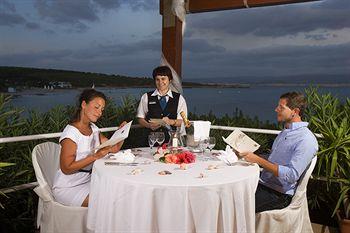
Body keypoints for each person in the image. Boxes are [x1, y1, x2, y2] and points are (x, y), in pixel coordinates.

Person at [239, 92, 318, 213]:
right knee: (229, 195)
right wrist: (248, 154)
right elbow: (273, 159)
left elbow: (292, 175)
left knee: (235, 206)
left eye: (281, 107)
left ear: (295, 111)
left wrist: (258, 160)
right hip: (263, 183)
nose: (276, 109)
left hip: (279, 194)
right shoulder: (285, 132)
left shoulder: (306, 139)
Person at [52, 89, 126, 207]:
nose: (99, 112)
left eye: (102, 109)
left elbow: (114, 148)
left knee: (121, 193)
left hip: (88, 180)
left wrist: (121, 133)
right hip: (68, 187)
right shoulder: (71, 134)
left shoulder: (93, 128)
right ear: (84, 104)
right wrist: (95, 156)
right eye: (96, 107)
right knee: (109, 202)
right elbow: (66, 168)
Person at [137, 65, 188, 143]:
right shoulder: (146, 97)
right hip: (151, 141)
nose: (160, 82)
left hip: (172, 141)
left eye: (163, 79)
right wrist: (148, 125)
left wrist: (171, 121)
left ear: (170, 80)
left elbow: (184, 121)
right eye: (157, 79)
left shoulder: (179, 98)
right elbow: (140, 118)